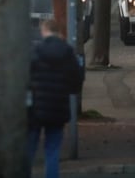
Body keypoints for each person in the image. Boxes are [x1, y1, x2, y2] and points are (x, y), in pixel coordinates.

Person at [27, 19, 85, 178]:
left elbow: (26, 79)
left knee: (29, 150)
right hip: (58, 108)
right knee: (52, 150)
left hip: (36, 108)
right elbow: (76, 82)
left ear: (44, 30)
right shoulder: (67, 52)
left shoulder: (36, 50)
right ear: (58, 31)